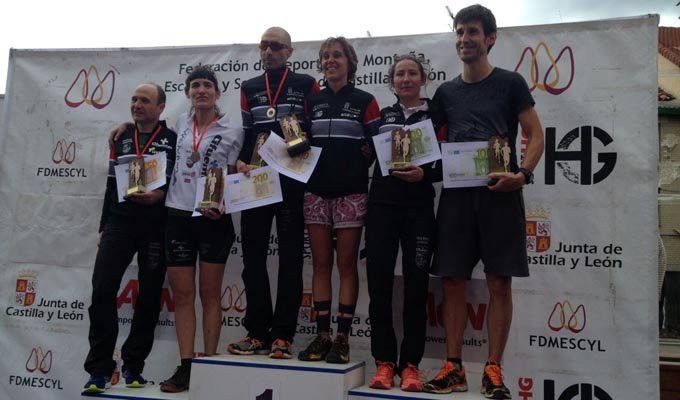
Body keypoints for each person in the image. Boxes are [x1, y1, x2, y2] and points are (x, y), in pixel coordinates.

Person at [424, 5, 544, 399]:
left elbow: (535, 133)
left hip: (500, 195)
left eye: (472, 32)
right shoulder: (445, 92)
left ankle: (493, 369)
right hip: (457, 197)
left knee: (499, 282)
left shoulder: (511, 83)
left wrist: (522, 175)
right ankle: (453, 368)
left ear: (490, 38)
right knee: (453, 281)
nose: (464, 39)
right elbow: (427, 141)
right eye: (459, 32)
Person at [228, 26, 320, 359]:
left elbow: (312, 129)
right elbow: (249, 131)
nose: (269, 51)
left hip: (292, 180)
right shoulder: (249, 87)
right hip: (256, 181)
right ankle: (256, 332)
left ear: (289, 51)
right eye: (264, 45)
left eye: (276, 46)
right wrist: (240, 162)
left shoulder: (307, 84)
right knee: (252, 256)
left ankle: (283, 335)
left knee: (291, 259)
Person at [83, 83, 176, 394]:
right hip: (119, 224)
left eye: (145, 101)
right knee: (102, 290)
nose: (137, 105)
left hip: (155, 226)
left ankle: (134, 366)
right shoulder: (121, 136)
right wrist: (102, 226)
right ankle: (99, 368)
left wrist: (158, 197)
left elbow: (176, 184)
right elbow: (111, 186)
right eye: (134, 99)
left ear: (161, 107)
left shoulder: (172, 140)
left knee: (149, 297)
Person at [298, 37, 380, 364]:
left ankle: (342, 340)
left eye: (337, 56)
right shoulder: (312, 101)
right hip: (316, 192)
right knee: (320, 265)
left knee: (346, 266)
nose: (331, 60)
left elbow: (381, 146)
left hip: (351, 192)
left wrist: (366, 155)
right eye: (326, 56)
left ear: (350, 62)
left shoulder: (365, 100)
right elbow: (299, 142)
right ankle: (322, 337)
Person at [365, 54, 442, 392]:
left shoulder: (437, 114)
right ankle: (383, 363)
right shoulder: (382, 117)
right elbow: (368, 158)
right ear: (391, 81)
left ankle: (410, 365)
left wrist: (426, 173)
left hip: (419, 209)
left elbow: (448, 160)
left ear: (423, 78)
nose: (406, 79)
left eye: (412, 73)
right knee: (379, 286)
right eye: (400, 74)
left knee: (415, 287)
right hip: (382, 207)